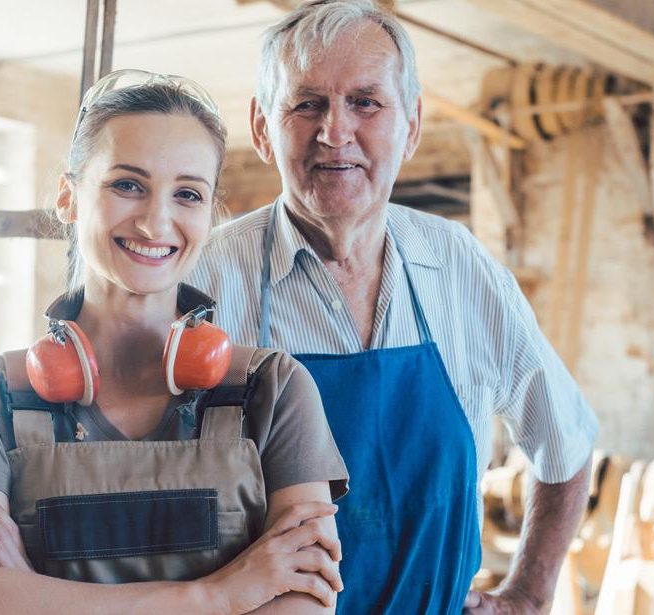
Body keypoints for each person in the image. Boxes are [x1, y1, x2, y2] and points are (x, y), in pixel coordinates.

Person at [185, 1, 599, 613]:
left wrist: (529, 596)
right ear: (262, 128)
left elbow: (566, 442)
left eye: (366, 102)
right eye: (307, 104)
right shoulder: (202, 283)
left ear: (412, 124)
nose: (335, 132)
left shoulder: (460, 266)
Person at [0, 70, 350, 614]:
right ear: (69, 197)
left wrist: (32, 595)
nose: (155, 222)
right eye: (127, 185)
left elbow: (303, 603)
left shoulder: (272, 389)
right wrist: (218, 594)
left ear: (209, 212)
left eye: (187, 194)